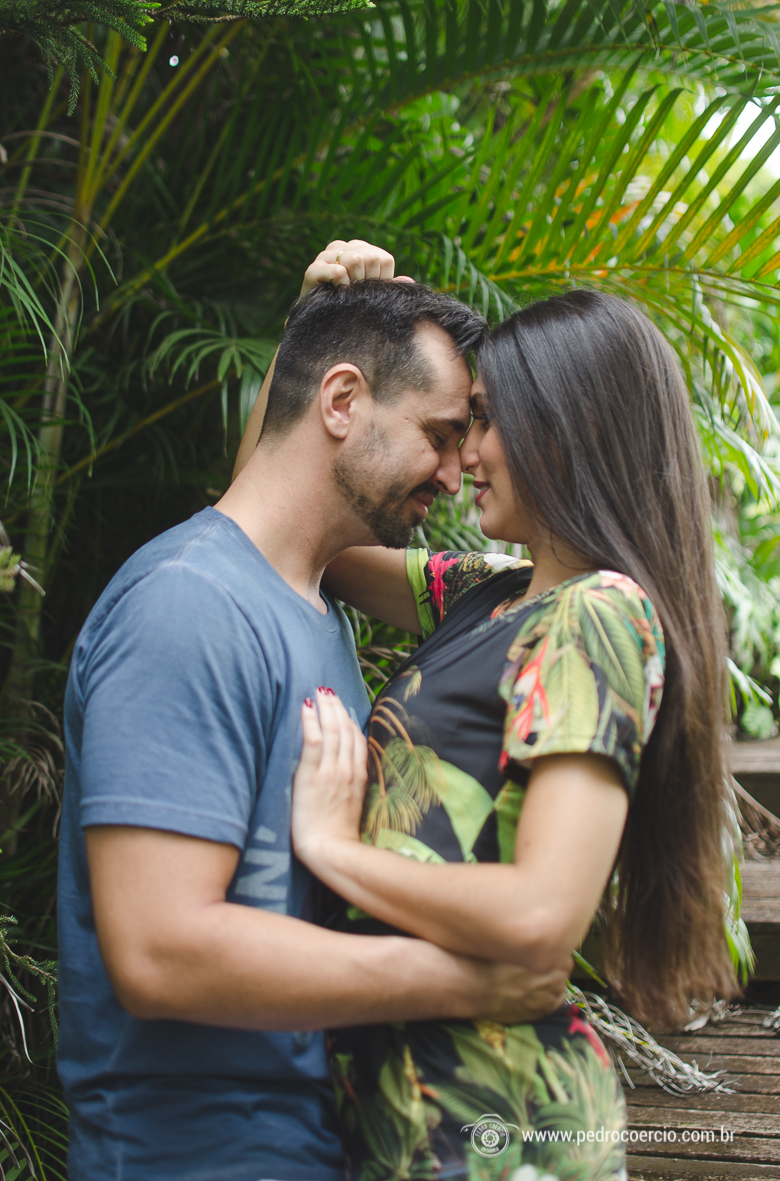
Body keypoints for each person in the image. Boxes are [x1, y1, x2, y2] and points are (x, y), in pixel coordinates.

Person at [56, 242, 569, 1181]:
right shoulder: (186, 608)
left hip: (318, 1136)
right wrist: (462, 978)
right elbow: (160, 950)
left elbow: (274, 490)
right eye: (441, 433)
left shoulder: (315, 599)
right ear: (341, 402)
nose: (456, 470)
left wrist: (315, 327)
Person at [279, 285, 737, 1179]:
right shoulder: (492, 592)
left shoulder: (596, 615)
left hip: (499, 1124)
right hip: (415, 1114)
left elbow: (539, 915)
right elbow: (292, 518)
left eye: (486, 421)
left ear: (568, 428)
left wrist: (333, 850)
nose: (466, 456)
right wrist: (316, 327)